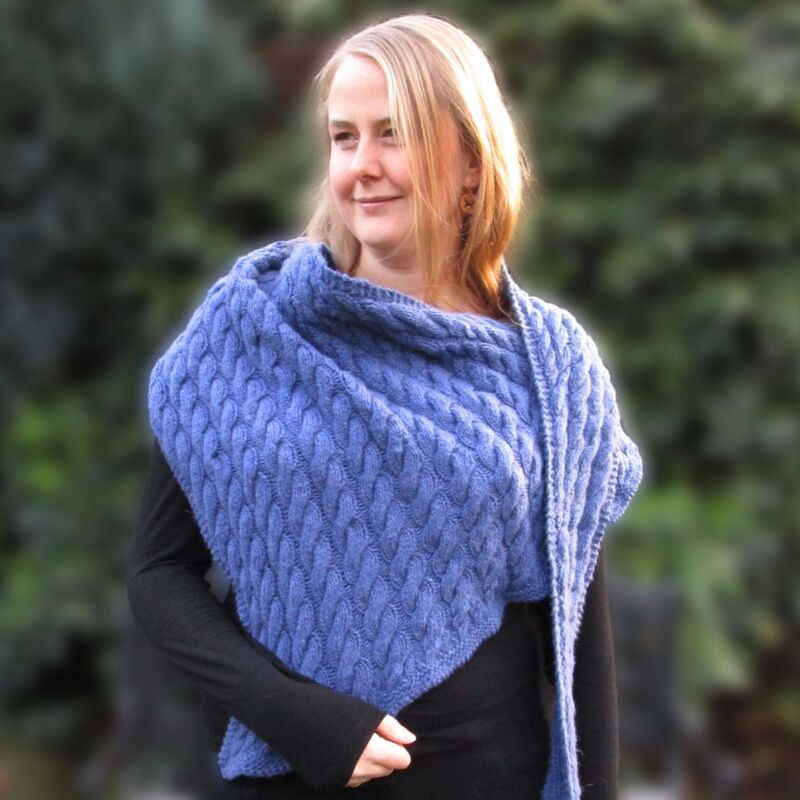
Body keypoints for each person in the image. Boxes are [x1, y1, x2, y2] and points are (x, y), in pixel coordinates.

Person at [127, 12, 644, 800]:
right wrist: (294, 715)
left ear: (470, 162)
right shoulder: (249, 333)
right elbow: (159, 573)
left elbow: (578, 636)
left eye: (393, 134)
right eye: (344, 137)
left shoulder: (550, 363)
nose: (362, 166)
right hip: (294, 777)